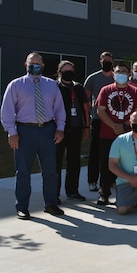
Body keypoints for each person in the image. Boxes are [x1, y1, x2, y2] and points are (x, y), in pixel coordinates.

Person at [1, 52, 67, 219]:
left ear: (43, 66)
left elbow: (59, 109)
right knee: (23, 171)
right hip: (24, 132)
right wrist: (12, 132)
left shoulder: (52, 85)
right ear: (26, 65)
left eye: (38, 63)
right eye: (32, 63)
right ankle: (22, 206)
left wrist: (60, 128)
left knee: (50, 171)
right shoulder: (16, 85)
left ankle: (51, 204)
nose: (35, 65)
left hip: (47, 130)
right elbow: (7, 111)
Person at [95, 61, 137, 205]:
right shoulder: (106, 90)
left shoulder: (135, 91)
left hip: (128, 135)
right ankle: (104, 193)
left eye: (124, 72)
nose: (121, 74)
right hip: (107, 134)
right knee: (106, 164)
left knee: (128, 165)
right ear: (113, 74)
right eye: (118, 72)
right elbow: (101, 110)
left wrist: (124, 125)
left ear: (129, 74)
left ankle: (130, 194)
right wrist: (113, 125)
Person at [55, 60, 90, 202]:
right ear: (59, 72)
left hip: (76, 128)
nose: (68, 72)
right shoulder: (54, 87)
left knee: (74, 161)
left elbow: (85, 108)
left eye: (70, 70)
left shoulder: (78, 87)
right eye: (65, 70)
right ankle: (54, 193)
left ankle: (72, 190)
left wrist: (87, 126)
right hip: (59, 129)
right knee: (56, 161)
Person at [83, 51, 115, 192]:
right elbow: (85, 98)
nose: (106, 62)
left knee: (112, 152)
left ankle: (110, 179)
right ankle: (92, 180)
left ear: (112, 62)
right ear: (100, 61)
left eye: (109, 60)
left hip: (114, 120)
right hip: (97, 120)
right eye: (104, 60)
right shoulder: (93, 78)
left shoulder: (117, 78)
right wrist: (92, 110)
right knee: (95, 152)